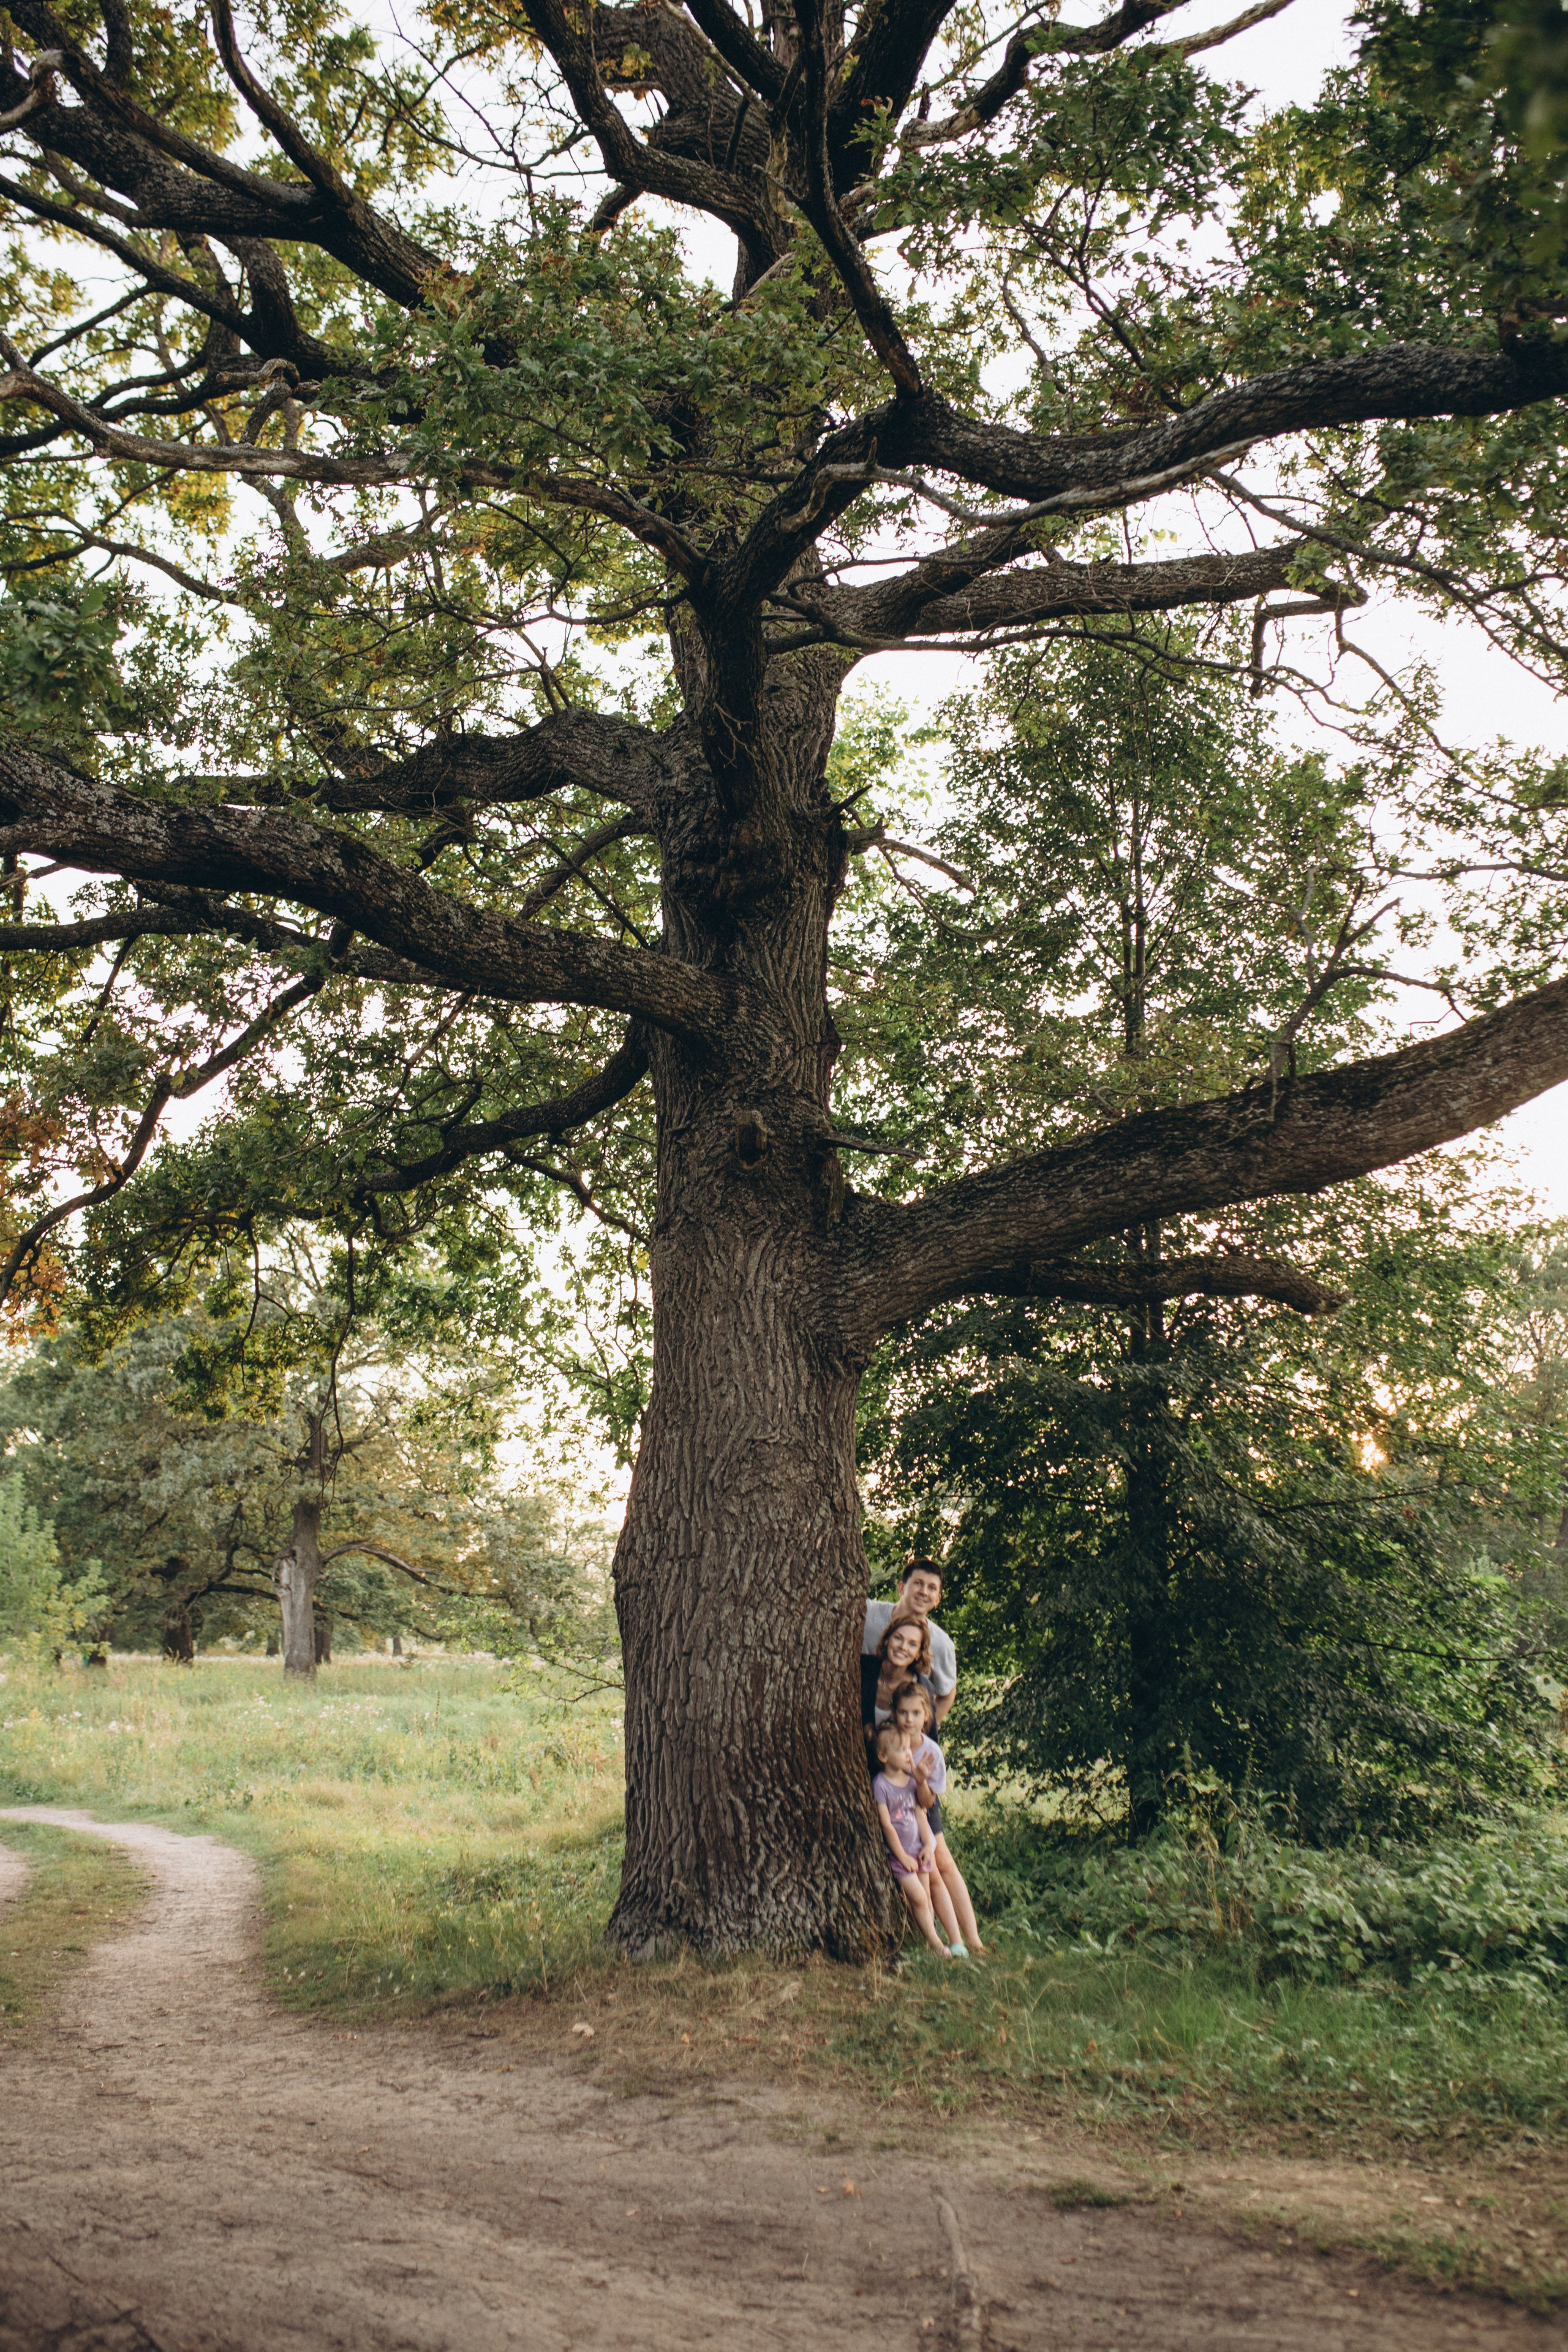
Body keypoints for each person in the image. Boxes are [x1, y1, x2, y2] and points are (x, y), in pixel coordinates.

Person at [888, 1681, 986, 1958]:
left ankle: (965, 1940)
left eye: (916, 1714)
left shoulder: (931, 1752)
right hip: (897, 1815)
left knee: (937, 1872)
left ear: (927, 1716)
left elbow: (929, 1802)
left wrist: (920, 1780)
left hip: (920, 1812)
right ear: (894, 1713)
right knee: (924, 1879)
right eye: (904, 1713)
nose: (909, 1720)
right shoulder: (890, 1740)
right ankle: (937, 1940)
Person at [871, 1724, 951, 1959]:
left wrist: (928, 1845)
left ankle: (927, 1939)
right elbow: (886, 1825)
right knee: (916, 1897)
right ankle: (937, 1944)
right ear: (884, 1757)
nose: (909, 1753)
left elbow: (920, 1815)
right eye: (901, 1750)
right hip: (900, 1855)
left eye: (909, 1748)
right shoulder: (881, 1785)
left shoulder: (910, 1781)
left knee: (926, 1898)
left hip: (919, 1850)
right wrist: (902, 1856)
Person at [862, 1559, 956, 1725]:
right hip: (854, 1720)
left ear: (937, 1600)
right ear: (901, 1588)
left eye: (932, 1588)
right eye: (918, 1584)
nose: (924, 1592)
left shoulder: (942, 1644)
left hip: (896, 1738)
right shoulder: (868, 1615)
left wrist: (922, 1732)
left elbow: (947, 1694)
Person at [861, 1613, 937, 1751]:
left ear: (919, 1654)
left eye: (912, 1644)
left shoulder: (923, 1688)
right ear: (887, 1640)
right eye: (898, 1638)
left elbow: (929, 1742)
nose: (903, 1647)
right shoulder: (862, 1668)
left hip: (897, 1769)